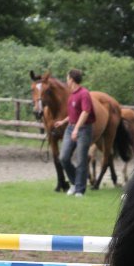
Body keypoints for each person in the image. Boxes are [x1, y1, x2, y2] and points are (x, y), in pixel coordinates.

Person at [58, 68, 94, 197]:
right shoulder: (72, 94)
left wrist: (77, 129)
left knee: (81, 159)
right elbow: (75, 113)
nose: (66, 80)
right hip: (70, 127)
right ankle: (74, 182)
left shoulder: (84, 94)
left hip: (84, 129)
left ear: (72, 79)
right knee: (63, 157)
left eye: (67, 78)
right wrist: (63, 121)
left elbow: (85, 112)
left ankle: (79, 190)